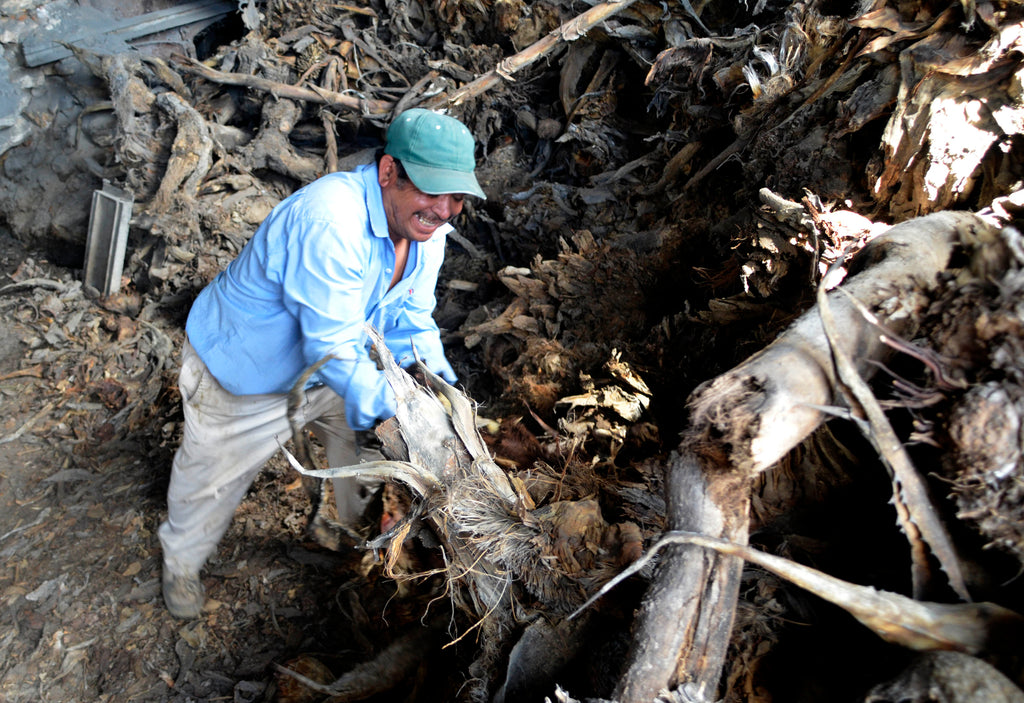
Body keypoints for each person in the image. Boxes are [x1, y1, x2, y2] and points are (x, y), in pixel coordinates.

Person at [157, 108, 486, 619]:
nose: (444, 209)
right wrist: (406, 415)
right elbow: (330, 346)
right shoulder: (330, 220)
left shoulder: (428, 228)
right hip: (244, 371)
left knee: (362, 455)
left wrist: (444, 392)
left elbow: (411, 318)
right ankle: (180, 559)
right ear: (387, 172)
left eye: (457, 197)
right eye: (431, 190)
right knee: (211, 479)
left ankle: (355, 533)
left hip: (336, 366)